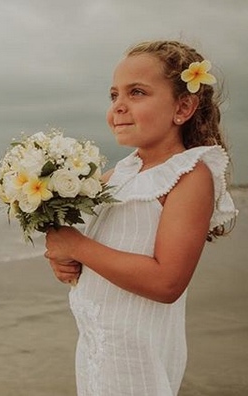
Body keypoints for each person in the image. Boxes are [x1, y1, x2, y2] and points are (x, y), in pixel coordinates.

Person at [44, 40, 238, 395]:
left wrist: (76, 245)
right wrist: (61, 255)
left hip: (137, 357)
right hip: (96, 344)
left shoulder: (189, 175)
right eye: (113, 94)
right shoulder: (118, 173)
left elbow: (167, 282)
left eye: (137, 93)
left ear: (183, 107)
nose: (119, 106)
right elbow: (82, 243)